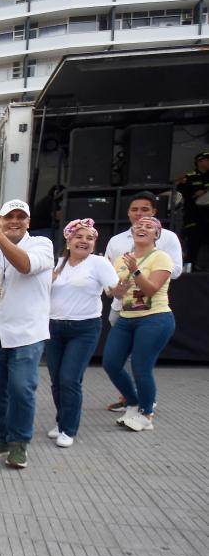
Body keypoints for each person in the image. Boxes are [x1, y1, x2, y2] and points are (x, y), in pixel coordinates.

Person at [0, 199, 55, 470]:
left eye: (20, 217)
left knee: (21, 388)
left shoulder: (42, 245)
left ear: (28, 222)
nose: (14, 221)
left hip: (27, 332)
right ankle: (0, 438)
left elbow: (24, 265)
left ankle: (19, 442)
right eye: (9, 216)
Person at [102, 192, 182, 413]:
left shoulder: (165, 247)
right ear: (128, 214)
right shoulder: (118, 244)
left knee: (140, 365)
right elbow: (112, 285)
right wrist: (116, 290)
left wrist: (140, 269)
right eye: (135, 211)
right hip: (124, 312)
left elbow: (172, 273)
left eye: (145, 211)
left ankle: (145, 409)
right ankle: (133, 399)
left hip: (153, 313)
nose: (140, 219)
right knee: (112, 362)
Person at [46, 219, 118, 447]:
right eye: (79, 237)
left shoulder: (98, 263)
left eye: (90, 238)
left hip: (84, 328)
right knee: (57, 380)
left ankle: (69, 428)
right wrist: (48, 281)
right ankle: (61, 421)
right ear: (68, 240)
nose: (84, 241)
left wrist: (123, 287)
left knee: (70, 379)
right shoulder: (56, 264)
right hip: (53, 327)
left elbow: (113, 290)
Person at [175, 150, 209, 271]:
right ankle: (190, 270)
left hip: (207, 216)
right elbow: (179, 192)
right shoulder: (189, 176)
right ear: (199, 162)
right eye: (207, 159)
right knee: (193, 244)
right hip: (194, 216)